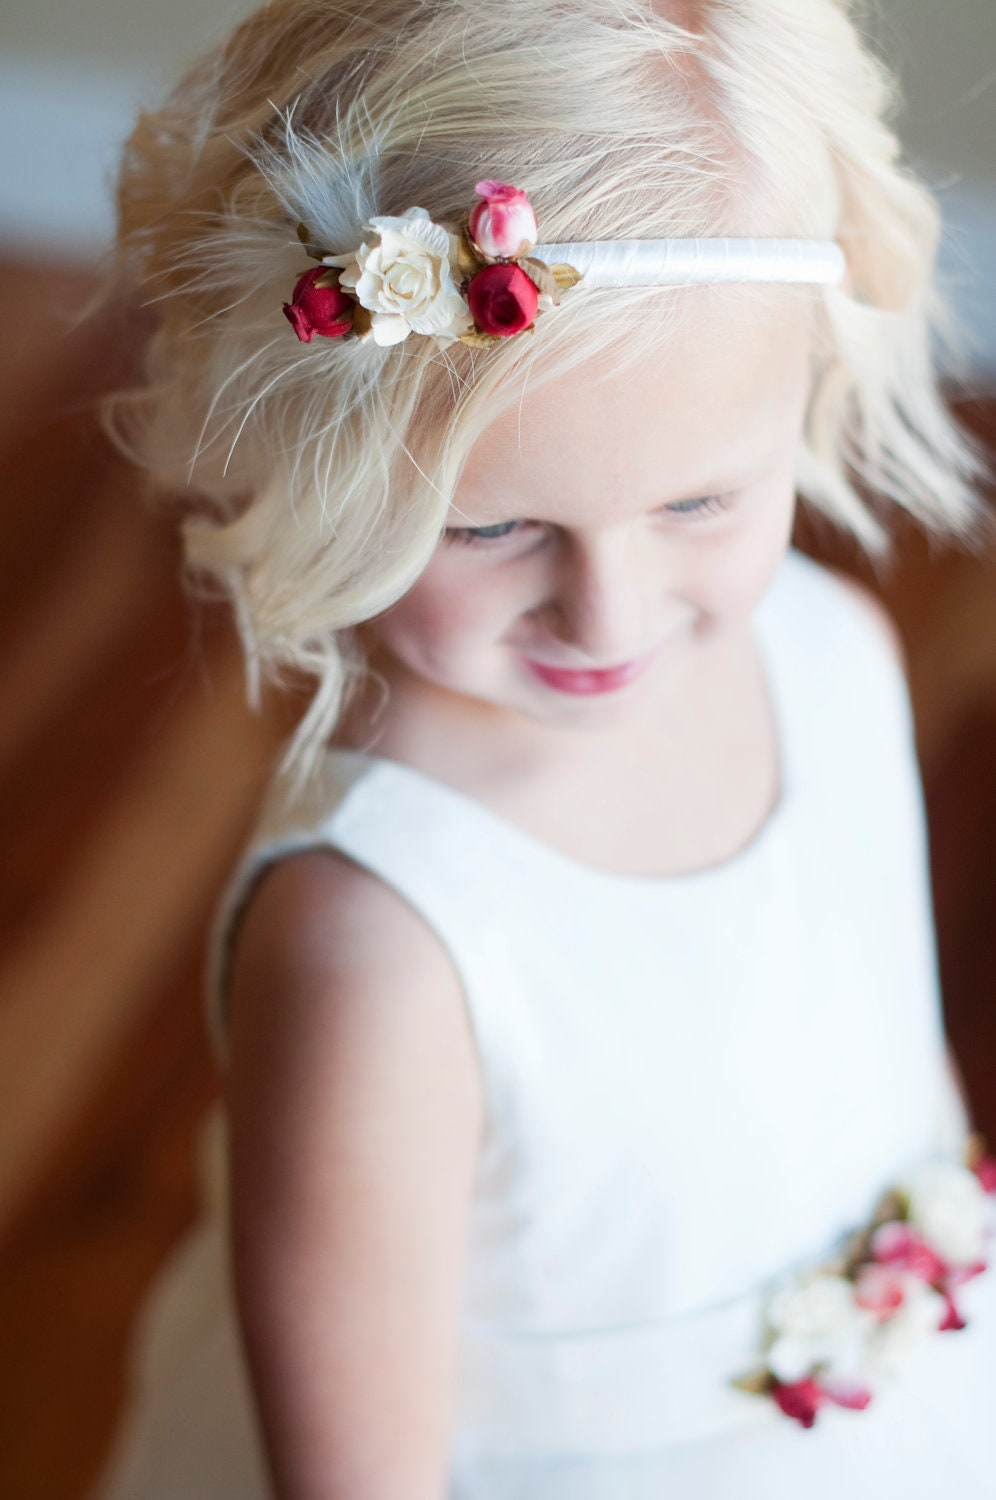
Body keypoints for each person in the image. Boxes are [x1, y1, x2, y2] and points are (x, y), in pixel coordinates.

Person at [89, 1, 996, 1496]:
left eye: (700, 503)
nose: (609, 607)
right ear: (321, 464)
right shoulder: (378, 945)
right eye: (496, 525)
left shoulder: (837, 654)